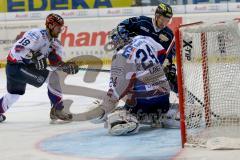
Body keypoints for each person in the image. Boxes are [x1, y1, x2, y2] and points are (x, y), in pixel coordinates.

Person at [91, 26, 180, 136]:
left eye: (114, 40)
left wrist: (105, 107)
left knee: (125, 94)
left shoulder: (120, 56)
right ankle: (165, 114)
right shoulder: (143, 38)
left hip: (143, 102)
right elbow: (162, 55)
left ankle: (128, 118)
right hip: (163, 97)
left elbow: (116, 90)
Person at [0, 13, 79, 123]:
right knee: (53, 78)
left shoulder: (55, 43)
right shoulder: (36, 34)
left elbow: (55, 62)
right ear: (50, 26)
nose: (60, 30)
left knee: (14, 95)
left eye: (62, 27)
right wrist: (34, 56)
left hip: (18, 68)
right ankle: (57, 110)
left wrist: (66, 66)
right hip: (17, 66)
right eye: (58, 27)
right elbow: (18, 48)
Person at [115, 2, 178, 93]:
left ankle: (185, 97)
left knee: (171, 78)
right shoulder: (142, 22)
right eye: (162, 19)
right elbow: (122, 26)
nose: (164, 23)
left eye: (167, 20)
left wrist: (171, 68)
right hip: (135, 61)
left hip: (152, 65)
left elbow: (168, 57)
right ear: (157, 15)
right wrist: (125, 40)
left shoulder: (168, 34)